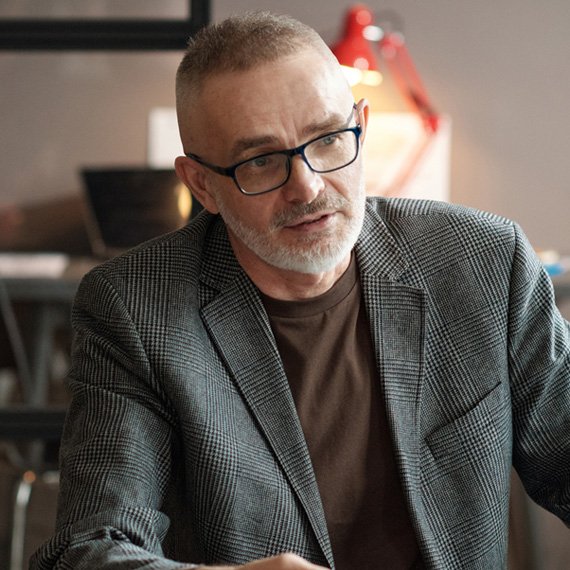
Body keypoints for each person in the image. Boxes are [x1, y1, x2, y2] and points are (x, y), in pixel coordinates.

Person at [31, 11, 570, 570]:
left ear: (361, 126)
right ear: (202, 185)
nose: (307, 187)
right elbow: (86, 551)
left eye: (329, 139)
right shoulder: (134, 309)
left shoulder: (483, 262)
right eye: (261, 160)